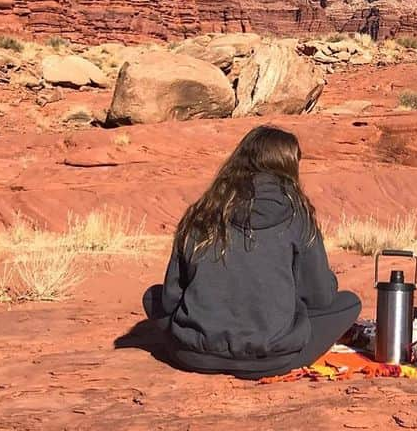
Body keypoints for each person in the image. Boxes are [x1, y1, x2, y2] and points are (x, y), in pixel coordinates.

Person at [143, 125, 361, 378]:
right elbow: (320, 298)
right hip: (271, 359)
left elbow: (171, 297)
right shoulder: (297, 213)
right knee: (349, 303)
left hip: (193, 354)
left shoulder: (203, 210)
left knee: (153, 296)